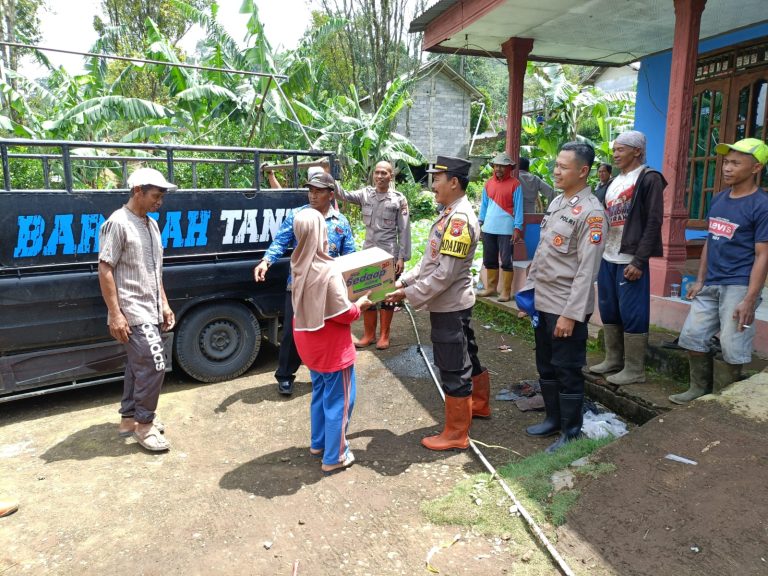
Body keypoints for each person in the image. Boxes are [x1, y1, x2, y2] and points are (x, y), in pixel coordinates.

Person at [385, 155, 491, 450]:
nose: (433, 186)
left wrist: (408, 294)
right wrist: (403, 281)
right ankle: (479, 404)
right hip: (454, 301)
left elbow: (444, 275)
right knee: (467, 352)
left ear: (454, 182)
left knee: (453, 364)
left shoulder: (459, 220)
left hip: (450, 305)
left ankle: (457, 434)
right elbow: (429, 261)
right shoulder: (449, 213)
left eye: (437, 180)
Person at [522, 142, 606, 453]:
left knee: (567, 370)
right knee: (546, 365)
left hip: (565, 307)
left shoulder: (593, 214)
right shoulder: (558, 201)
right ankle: (553, 419)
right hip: (543, 302)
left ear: (583, 171)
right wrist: (527, 298)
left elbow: (587, 271)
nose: (556, 171)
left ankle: (571, 432)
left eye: (564, 166)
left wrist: (570, 315)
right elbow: (544, 254)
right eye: (556, 165)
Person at [670, 138, 768, 404]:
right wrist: (700, 279)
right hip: (711, 282)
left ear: (756, 167)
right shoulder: (719, 199)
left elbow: (763, 255)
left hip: (739, 285)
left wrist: (749, 298)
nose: (727, 167)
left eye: (736, 162)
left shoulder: (762, 205)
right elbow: (710, 243)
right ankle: (698, 390)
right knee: (692, 337)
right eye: (726, 162)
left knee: (731, 344)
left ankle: (724, 400)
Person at [253, 172, 355, 396]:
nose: (313, 195)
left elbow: (350, 255)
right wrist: (266, 260)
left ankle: (322, 372)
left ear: (331, 194)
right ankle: (285, 376)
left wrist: (352, 285)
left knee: (326, 331)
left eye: (318, 191)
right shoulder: (298, 215)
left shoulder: (341, 222)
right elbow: (280, 241)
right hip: (299, 286)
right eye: (310, 190)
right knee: (293, 331)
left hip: (329, 287)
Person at [98, 167, 177, 452]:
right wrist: (115, 313)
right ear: (137, 191)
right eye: (155, 196)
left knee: (137, 366)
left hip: (152, 307)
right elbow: (105, 268)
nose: (160, 202)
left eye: (162, 197)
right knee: (155, 364)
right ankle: (145, 426)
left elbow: (155, 271)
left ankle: (129, 419)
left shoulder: (151, 224)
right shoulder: (118, 223)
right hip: (132, 310)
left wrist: (165, 304)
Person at [290, 209, 373, 475]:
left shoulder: (298, 261)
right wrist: (360, 304)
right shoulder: (326, 270)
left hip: (307, 340)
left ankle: (319, 443)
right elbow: (344, 314)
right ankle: (334, 455)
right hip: (331, 348)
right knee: (340, 400)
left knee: (320, 392)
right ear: (320, 233)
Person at [588, 131, 665, 385]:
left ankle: (635, 369)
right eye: (615, 149)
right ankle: (613, 359)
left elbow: (654, 222)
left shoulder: (649, 178)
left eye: (621, 149)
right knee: (609, 309)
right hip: (608, 257)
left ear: (637, 151)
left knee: (633, 313)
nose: (615, 154)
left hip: (630, 258)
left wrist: (639, 260)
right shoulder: (613, 182)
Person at [335, 161, 411, 349]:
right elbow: (341, 194)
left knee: (387, 296)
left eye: (384, 173)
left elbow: (404, 230)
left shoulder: (398, 199)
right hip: (368, 254)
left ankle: (384, 335)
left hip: (388, 254)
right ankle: (368, 335)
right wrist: (330, 174)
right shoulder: (365, 194)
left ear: (391, 176)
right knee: (367, 294)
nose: (379, 176)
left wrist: (402, 257)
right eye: (377, 172)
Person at [477, 152, 523, 302]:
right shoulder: (488, 183)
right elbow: (484, 206)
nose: (499, 169)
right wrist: (480, 223)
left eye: (502, 166)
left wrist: (517, 228)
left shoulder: (515, 184)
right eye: (497, 166)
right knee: (489, 259)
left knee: (506, 261)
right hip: (488, 228)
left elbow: (518, 208)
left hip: (506, 229)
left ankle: (506, 291)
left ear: (509, 168)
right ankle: (491, 288)